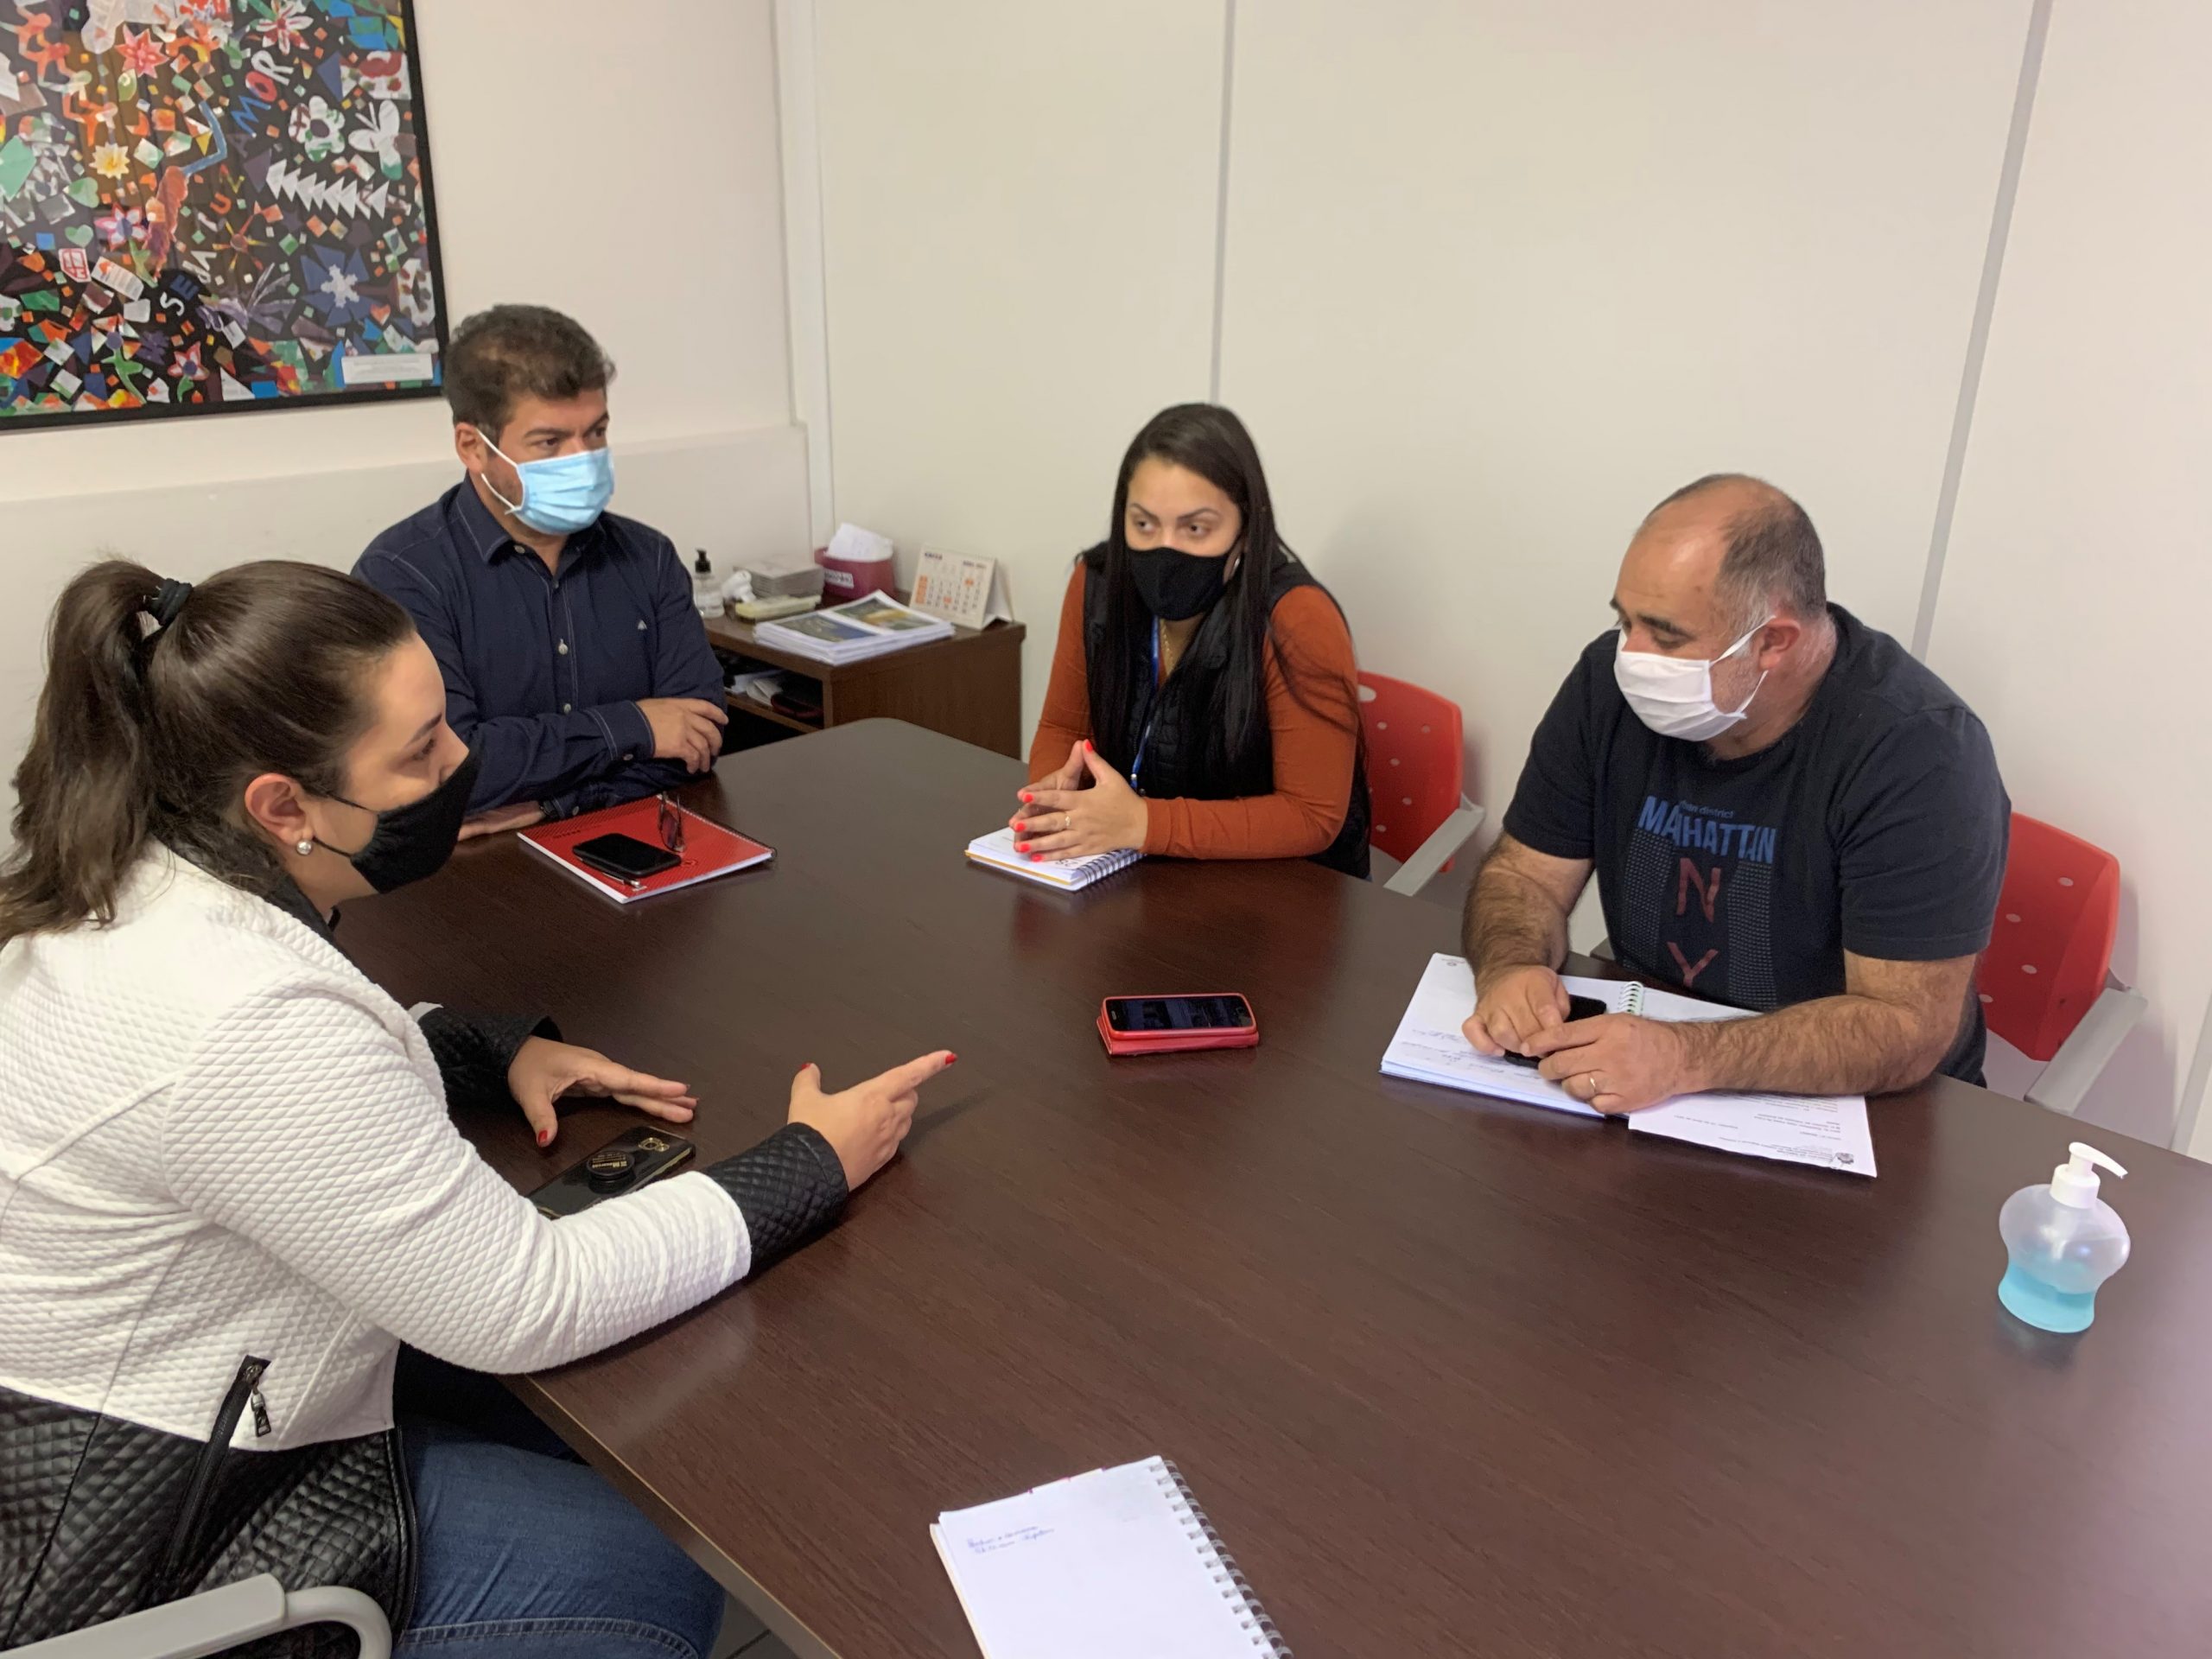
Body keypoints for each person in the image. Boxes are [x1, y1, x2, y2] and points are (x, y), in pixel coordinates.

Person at [0, 560, 951, 1658]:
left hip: (132, 1396)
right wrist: (810, 1163)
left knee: (623, 1409)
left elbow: (294, 1068)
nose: (461, 762)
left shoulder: (135, 879)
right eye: (420, 753)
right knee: (645, 1571)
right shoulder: (243, 1019)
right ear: (282, 805)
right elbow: (528, 1301)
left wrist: (479, 1049)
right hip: (141, 1526)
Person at [1462, 474, 2009, 1109]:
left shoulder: (1920, 750)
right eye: (1624, 620)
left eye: (1666, 636)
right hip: (1652, 1062)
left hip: (1864, 1105)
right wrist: (1510, 965)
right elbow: (1524, 878)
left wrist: (1683, 1057)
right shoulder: (1604, 687)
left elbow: (1905, 1028)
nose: (1631, 656)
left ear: (1774, 641)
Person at [355, 304, 728, 839]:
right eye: (550, 442)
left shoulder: (649, 557)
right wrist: (637, 725)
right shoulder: (403, 575)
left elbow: (698, 739)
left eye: (596, 432)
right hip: (475, 880)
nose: (583, 457)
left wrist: (556, 803)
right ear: (472, 447)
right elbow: (448, 773)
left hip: (641, 848)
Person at [1015, 404, 1370, 875]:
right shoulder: (1098, 583)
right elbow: (1063, 729)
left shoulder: (1299, 618)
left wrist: (1144, 822)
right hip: (1138, 871)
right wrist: (1057, 793)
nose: (1166, 547)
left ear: (1245, 529)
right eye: (1144, 524)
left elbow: (1312, 815)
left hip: (1282, 894)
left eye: (1196, 528)